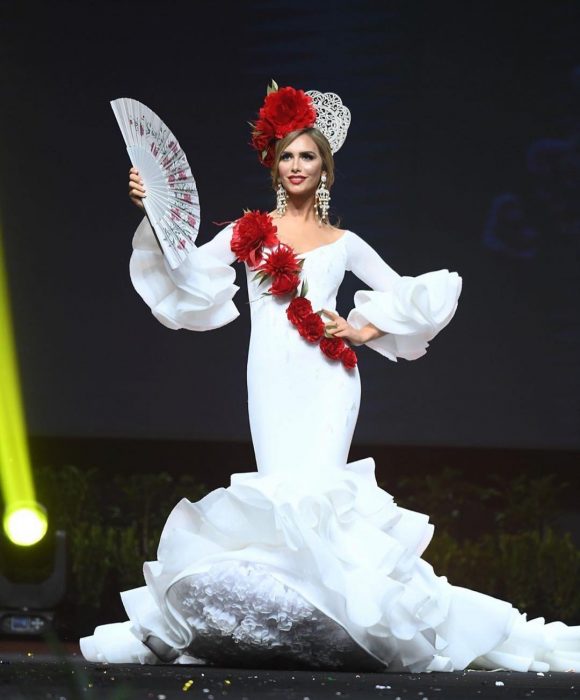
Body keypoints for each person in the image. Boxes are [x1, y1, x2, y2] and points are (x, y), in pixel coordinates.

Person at [80, 84, 579, 672]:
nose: (296, 165)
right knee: (279, 491)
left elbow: (413, 291)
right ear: (274, 163)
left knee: (316, 492)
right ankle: (300, 626)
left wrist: (364, 329)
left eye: (307, 156)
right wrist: (153, 213)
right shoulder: (248, 233)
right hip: (269, 375)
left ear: (325, 169)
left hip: (327, 379)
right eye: (287, 155)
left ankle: (347, 624)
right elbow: (188, 273)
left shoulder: (345, 243)